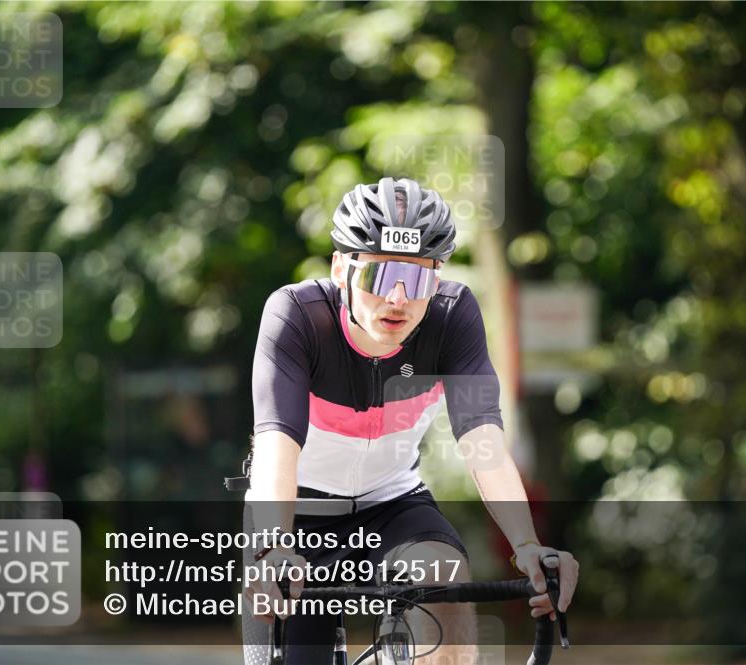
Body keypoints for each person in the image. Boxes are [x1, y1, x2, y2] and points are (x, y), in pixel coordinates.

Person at [242, 176, 578, 665]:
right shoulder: (295, 315)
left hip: (392, 503)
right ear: (341, 269)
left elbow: (482, 437)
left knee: (445, 589)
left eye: (417, 278)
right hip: (296, 515)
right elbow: (276, 442)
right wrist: (273, 547)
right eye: (378, 276)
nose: (398, 297)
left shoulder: (453, 315)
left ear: (436, 280)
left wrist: (526, 544)